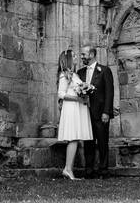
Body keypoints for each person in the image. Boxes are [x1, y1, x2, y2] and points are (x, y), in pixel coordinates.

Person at [77, 45, 114, 177]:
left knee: (103, 141)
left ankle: (104, 169)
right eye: (81, 55)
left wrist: (106, 112)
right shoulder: (80, 72)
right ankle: (89, 169)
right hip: (85, 113)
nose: (82, 57)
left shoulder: (104, 70)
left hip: (100, 113)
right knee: (88, 142)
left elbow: (109, 93)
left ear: (91, 54)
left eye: (83, 54)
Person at [56, 49, 92, 180]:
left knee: (75, 138)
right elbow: (61, 94)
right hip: (71, 108)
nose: (77, 57)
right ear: (69, 59)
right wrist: (77, 99)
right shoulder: (64, 75)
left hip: (77, 108)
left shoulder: (74, 75)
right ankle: (67, 169)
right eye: (74, 56)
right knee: (73, 137)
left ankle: (68, 169)